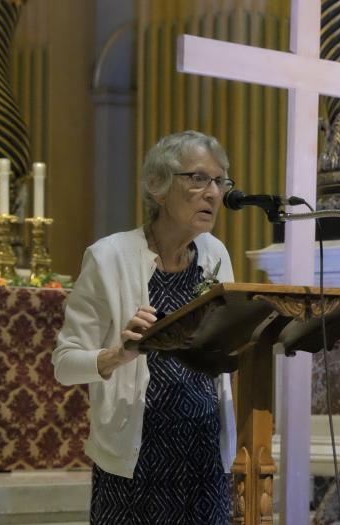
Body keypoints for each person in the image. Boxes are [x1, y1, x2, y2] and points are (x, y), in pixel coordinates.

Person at [52, 130, 237, 524]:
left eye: (220, 181)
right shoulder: (108, 257)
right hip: (136, 458)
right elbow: (64, 363)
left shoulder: (215, 254)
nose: (214, 193)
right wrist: (118, 355)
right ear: (159, 188)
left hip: (204, 454)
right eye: (198, 179)